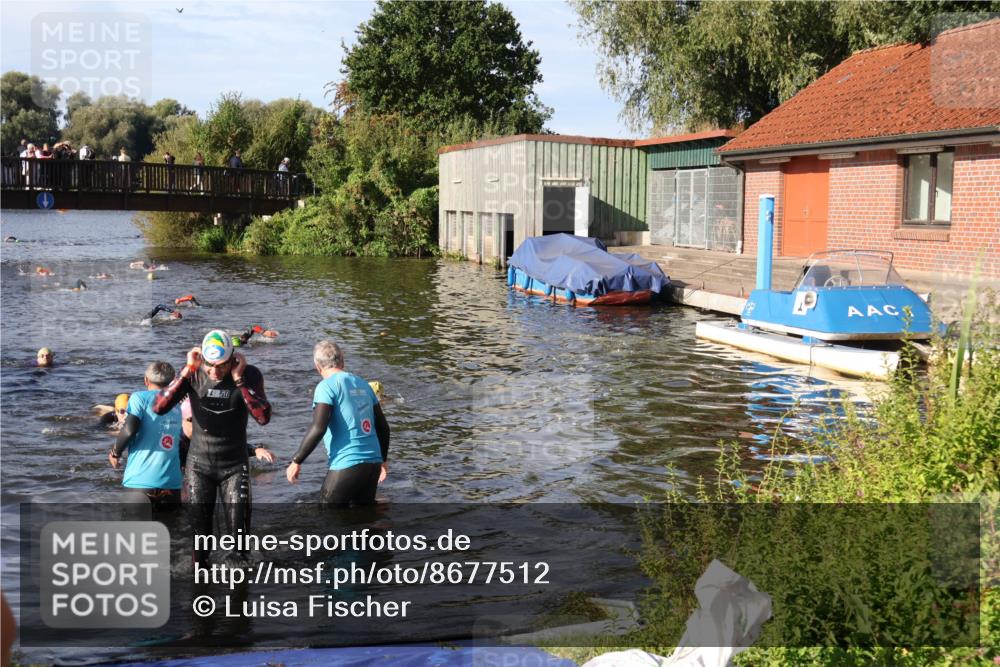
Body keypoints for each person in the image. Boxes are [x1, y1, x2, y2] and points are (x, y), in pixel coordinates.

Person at [153, 330, 275, 565]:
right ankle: (200, 592)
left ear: (233, 359)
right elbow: (159, 407)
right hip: (199, 465)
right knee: (201, 543)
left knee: (239, 546)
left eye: (221, 365)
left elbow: (263, 417)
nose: (215, 371)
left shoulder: (249, 375)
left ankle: (239, 596)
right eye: (210, 365)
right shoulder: (193, 374)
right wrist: (187, 371)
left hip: (234, 466)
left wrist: (239, 380)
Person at [286, 341, 390, 506]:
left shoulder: (325, 387)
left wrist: (296, 461)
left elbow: (318, 428)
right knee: (365, 520)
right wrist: (383, 460)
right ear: (342, 360)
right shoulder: (363, 384)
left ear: (317, 366)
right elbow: (383, 427)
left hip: (347, 463)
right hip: (373, 463)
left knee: (328, 520)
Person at [109, 362, 184, 512]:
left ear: (146, 380)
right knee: (172, 533)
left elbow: (129, 429)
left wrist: (115, 453)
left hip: (140, 483)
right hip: (172, 485)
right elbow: (182, 443)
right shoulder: (177, 405)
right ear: (172, 382)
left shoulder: (139, 398)